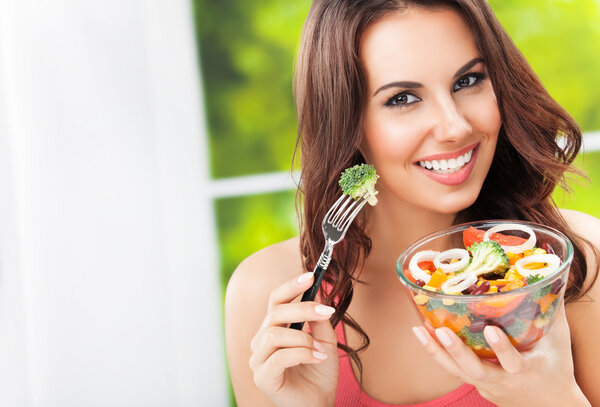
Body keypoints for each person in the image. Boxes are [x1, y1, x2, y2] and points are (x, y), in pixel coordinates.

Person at [225, 1, 600, 406]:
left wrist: (553, 398)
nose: (455, 126)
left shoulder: (573, 261)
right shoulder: (269, 297)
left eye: (468, 80)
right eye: (402, 98)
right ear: (345, 122)